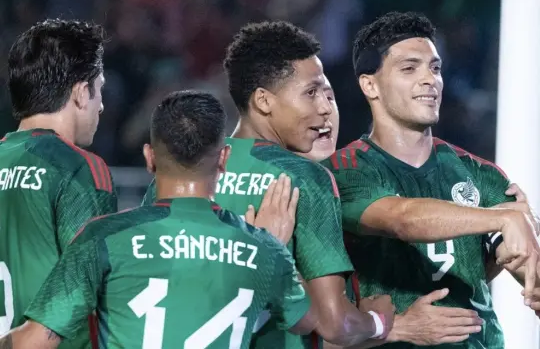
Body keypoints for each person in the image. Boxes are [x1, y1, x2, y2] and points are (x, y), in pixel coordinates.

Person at [143, 22, 396, 348]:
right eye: (311, 92)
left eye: (327, 95)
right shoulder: (303, 179)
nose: (324, 107)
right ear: (263, 100)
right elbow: (335, 324)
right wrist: (382, 322)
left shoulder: (179, 172)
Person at [0, 90, 317, 349]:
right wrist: (277, 249)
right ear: (223, 158)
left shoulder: (102, 238)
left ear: (149, 157)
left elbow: (34, 342)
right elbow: (307, 322)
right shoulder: (263, 248)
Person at [321, 11, 540, 349]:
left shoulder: (480, 173)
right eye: (409, 69)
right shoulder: (344, 170)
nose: (430, 80)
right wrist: (505, 216)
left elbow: (522, 263)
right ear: (370, 84)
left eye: (435, 68)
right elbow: (402, 219)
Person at [0, 19, 116, 348]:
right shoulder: (80, 169)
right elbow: (92, 283)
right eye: (100, 89)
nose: (102, 105)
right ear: (81, 92)